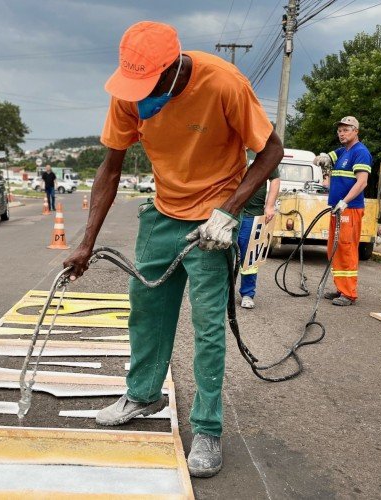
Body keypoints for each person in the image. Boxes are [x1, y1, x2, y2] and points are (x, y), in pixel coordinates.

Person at [63, 21, 283, 478]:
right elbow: (110, 167)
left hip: (213, 219)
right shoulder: (128, 93)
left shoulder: (223, 83)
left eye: (150, 84)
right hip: (163, 213)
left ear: (173, 68)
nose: (140, 95)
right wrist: (85, 243)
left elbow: (272, 151)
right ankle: (142, 395)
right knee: (146, 312)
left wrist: (229, 210)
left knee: (207, 328)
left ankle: (207, 429)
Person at [313, 116, 371, 306]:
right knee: (334, 249)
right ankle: (340, 288)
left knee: (346, 249)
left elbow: (362, 182)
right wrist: (322, 160)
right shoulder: (341, 151)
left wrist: (345, 202)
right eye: (339, 130)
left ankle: (348, 293)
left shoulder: (360, 152)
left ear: (356, 131)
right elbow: (324, 159)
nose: (341, 133)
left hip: (349, 209)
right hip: (337, 209)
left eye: (346, 130)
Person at [236, 162, 281, 309]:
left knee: (250, 258)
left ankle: (247, 293)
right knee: (223, 256)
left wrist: (270, 205)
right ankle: (224, 293)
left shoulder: (264, 151)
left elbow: (275, 179)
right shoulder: (232, 146)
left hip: (253, 215)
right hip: (229, 212)